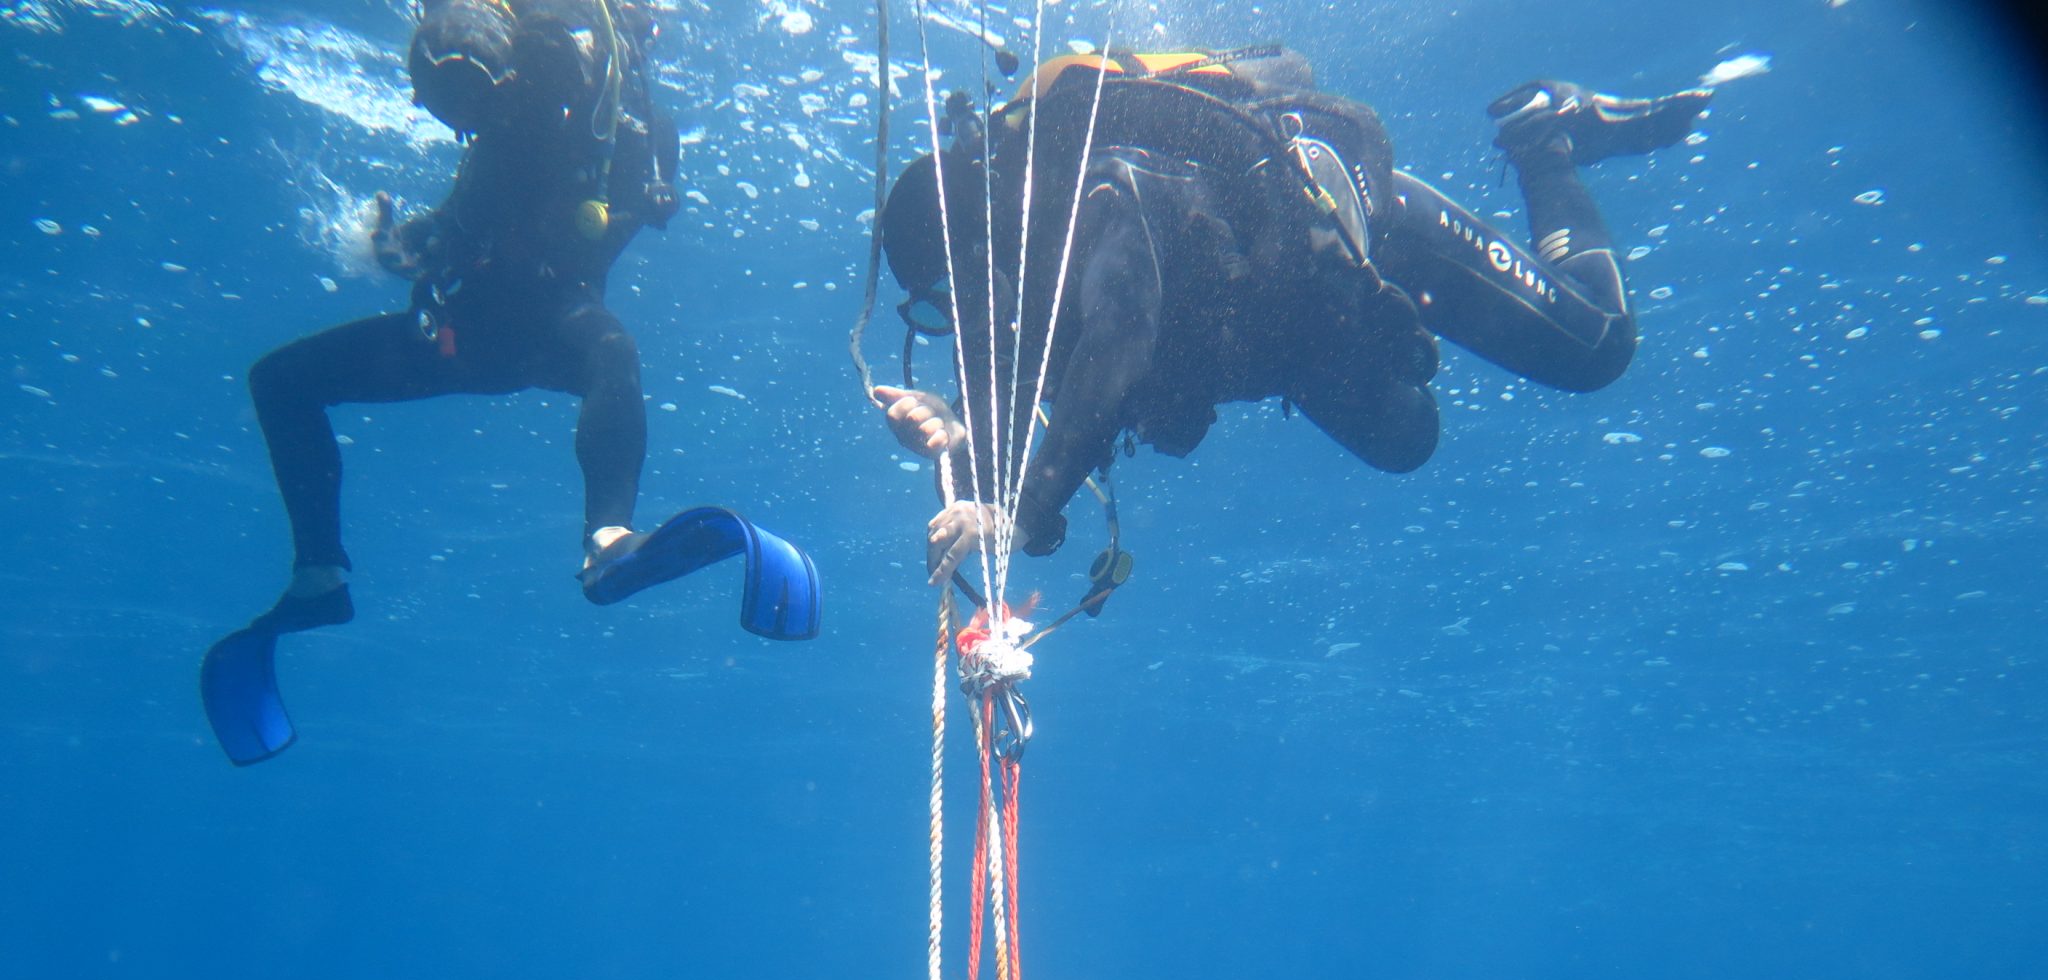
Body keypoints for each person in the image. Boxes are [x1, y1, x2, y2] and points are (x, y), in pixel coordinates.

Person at [870, 48, 1712, 591]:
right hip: (1295, 334)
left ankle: (1546, 142)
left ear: (980, 241)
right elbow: (1010, 433)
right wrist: (957, 441)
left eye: (951, 293)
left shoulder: (1106, 193)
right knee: (1407, 438)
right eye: (939, 310)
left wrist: (1018, 511)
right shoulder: (1026, 297)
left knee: (1599, 347)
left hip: (1359, 232)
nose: (963, 317)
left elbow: (1121, 336)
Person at [242, 0, 681, 634]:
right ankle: (318, 579)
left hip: (535, 328)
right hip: (467, 333)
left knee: (612, 350)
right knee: (278, 380)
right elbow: (461, 220)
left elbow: (589, 228)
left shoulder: (616, 127)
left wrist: (453, 243)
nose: (458, 121)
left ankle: (608, 539)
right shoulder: (512, 129)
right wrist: (410, 249)